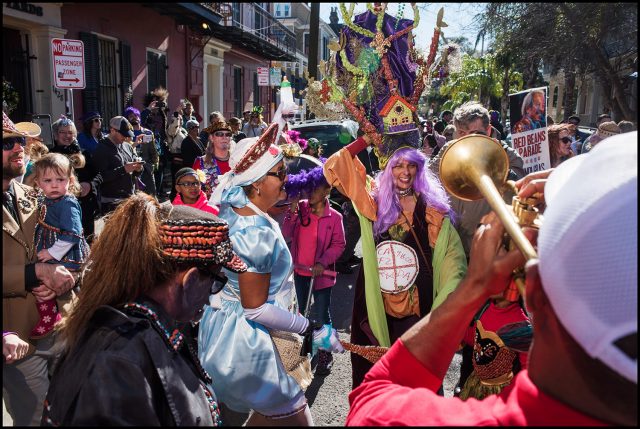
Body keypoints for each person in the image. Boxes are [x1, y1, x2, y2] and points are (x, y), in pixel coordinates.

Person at [346, 133, 637, 426]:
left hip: (420, 314)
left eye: (410, 166)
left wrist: (474, 287)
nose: (405, 173)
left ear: (533, 291)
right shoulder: (377, 203)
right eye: (398, 166)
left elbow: (373, 399)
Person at [42, 193, 248, 425]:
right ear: (189, 280)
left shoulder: (144, 330)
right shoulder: (117, 362)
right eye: (215, 282)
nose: (213, 299)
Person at [199, 123, 344, 425]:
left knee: (262, 415)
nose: (286, 180)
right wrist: (312, 327)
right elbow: (256, 309)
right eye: (279, 174)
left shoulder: (235, 209)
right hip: (252, 338)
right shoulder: (255, 233)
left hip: (233, 327)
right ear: (256, 183)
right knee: (292, 414)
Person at [3, 112, 77, 426]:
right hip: (18, 340)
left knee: (73, 410)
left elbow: (75, 245)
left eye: (19, 139)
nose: (19, 147)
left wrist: (69, 275)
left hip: (63, 327)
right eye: (7, 143)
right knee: (35, 420)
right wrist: (37, 274)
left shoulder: (35, 194)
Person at [429, 101, 525, 258]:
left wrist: (494, 163)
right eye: (461, 133)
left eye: (474, 133)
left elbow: (517, 190)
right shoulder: (448, 150)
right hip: (453, 247)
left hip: (488, 248)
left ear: (488, 130)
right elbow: (429, 181)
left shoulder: (507, 155)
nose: (468, 140)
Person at [282, 161, 346, 376]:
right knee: (301, 313)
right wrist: (291, 212)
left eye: (315, 190)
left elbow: (339, 245)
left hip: (322, 275)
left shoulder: (335, 217)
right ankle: (308, 351)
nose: (310, 193)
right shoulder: (301, 210)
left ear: (327, 190)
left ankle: (326, 354)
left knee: (321, 314)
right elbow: (287, 233)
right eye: (308, 189)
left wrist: (322, 262)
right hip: (300, 272)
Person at [32, 153, 89, 338]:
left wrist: (51, 252)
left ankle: (50, 318)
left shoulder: (67, 203)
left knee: (46, 284)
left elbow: (72, 234)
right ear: (38, 183)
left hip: (66, 256)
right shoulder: (47, 200)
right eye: (47, 180)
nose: (54, 185)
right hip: (56, 253)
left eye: (60, 179)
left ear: (70, 181)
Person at [93, 116, 144, 215]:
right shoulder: (101, 149)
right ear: (112, 130)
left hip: (129, 198)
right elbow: (100, 177)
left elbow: (134, 172)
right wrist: (123, 169)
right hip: (111, 202)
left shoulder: (127, 146)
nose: (125, 137)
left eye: (127, 134)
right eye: (123, 134)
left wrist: (138, 169)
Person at [193, 121, 232, 199]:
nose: (224, 137)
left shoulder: (239, 161)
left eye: (228, 134)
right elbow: (193, 190)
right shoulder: (201, 163)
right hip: (209, 209)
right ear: (211, 138)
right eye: (219, 134)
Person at [125, 106, 158, 196]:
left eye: (136, 115)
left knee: (151, 194)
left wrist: (154, 165)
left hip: (147, 167)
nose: (134, 117)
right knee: (137, 195)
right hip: (134, 168)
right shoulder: (126, 134)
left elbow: (153, 150)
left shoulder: (148, 132)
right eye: (131, 116)